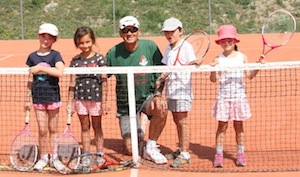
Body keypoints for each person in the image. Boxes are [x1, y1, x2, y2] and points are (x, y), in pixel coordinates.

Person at [106, 16, 168, 164]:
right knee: (132, 149)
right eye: (125, 30)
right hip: (125, 104)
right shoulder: (112, 53)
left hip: (147, 97)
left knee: (161, 107)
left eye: (133, 29)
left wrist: (158, 94)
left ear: (138, 31)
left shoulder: (150, 47)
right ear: (121, 33)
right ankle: (138, 134)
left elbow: (161, 73)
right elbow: (102, 77)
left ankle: (151, 146)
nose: (129, 33)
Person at [209, 25, 259, 168]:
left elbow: (249, 76)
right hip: (223, 98)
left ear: (235, 40)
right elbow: (213, 80)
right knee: (222, 127)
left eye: (229, 39)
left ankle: (240, 153)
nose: (227, 42)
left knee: (239, 126)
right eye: (223, 40)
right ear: (219, 42)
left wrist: (258, 67)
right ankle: (218, 154)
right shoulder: (217, 59)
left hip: (239, 98)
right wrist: (213, 69)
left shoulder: (242, 57)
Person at [159, 17, 202, 168]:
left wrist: (196, 62)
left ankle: (185, 154)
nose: (169, 34)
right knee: (177, 121)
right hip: (171, 90)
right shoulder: (168, 48)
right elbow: (166, 66)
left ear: (180, 31)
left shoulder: (186, 47)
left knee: (183, 122)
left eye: (172, 31)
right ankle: (180, 149)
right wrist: (164, 75)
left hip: (182, 90)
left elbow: (192, 62)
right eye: (166, 32)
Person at [24, 23, 65, 171]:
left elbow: (60, 72)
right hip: (38, 97)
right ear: (39, 36)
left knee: (53, 129)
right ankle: (43, 157)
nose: (46, 40)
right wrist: (27, 98)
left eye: (49, 38)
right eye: (43, 36)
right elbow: (30, 79)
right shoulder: (32, 57)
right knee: (42, 129)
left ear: (54, 40)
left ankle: (54, 157)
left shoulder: (56, 55)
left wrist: (42, 68)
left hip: (53, 96)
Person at [67, 26, 108, 167]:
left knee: (97, 126)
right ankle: (86, 154)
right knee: (85, 127)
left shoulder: (100, 59)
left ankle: (100, 153)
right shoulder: (75, 61)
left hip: (96, 99)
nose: (85, 46)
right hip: (80, 99)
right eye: (81, 43)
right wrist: (70, 102)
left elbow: (104, 80)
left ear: (93, 41)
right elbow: (72, 82)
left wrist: (105, 101)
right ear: (77, 44)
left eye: (87, 42)